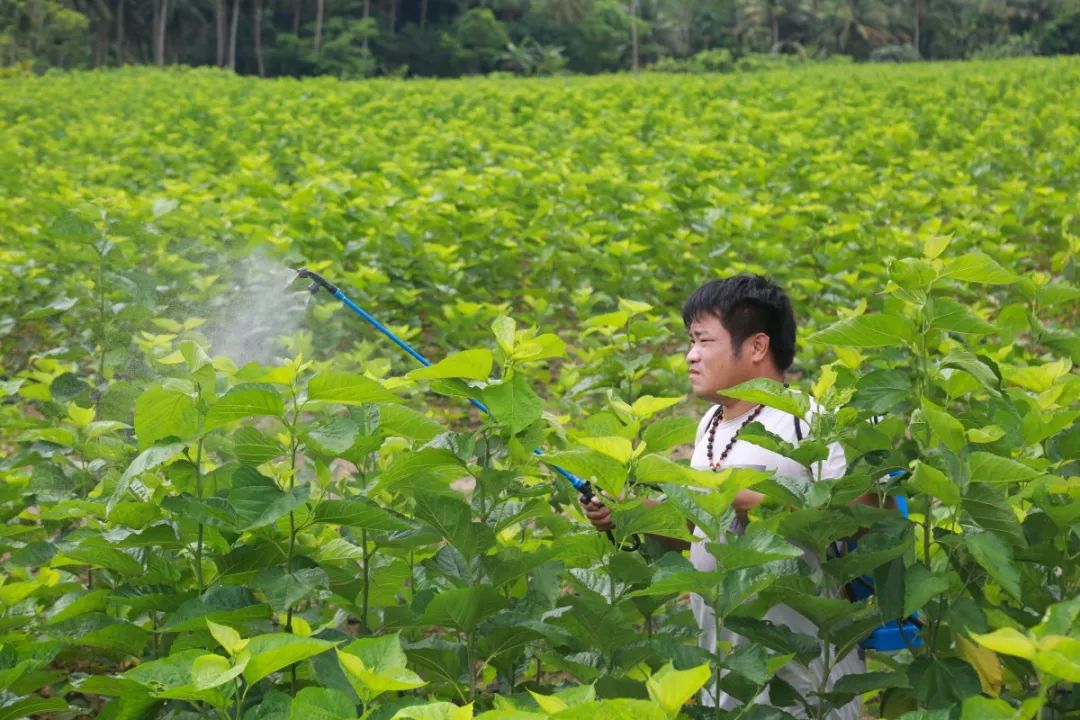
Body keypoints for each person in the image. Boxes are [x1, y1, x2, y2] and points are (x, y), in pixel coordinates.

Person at [581, 275, 864, 720]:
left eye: (704, 340)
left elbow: (857, 518)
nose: (691, 355)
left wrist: (750, 498)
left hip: (808, 681)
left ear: (756, 347)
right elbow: (702, 534)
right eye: (689, 341)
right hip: (727, 675)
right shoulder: (711, 425)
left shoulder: (805, 419)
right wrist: (632, 515)